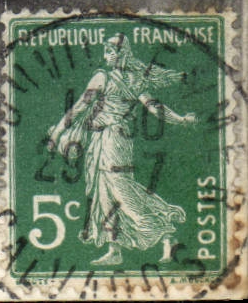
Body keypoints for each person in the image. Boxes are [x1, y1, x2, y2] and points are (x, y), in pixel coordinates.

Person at [45, 33, 194, 266]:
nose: (106, 56)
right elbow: (155, 108)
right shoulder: (133, 79)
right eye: (105, 51)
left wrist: (55, 134)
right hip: (110, 139)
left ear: (122, 54)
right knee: (107, 193)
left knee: (119, 190)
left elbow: (78, 108)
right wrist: (182, 120)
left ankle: (163, 228)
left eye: (110, 52)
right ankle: (118, 248)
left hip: (111, 139)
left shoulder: (103, 78)